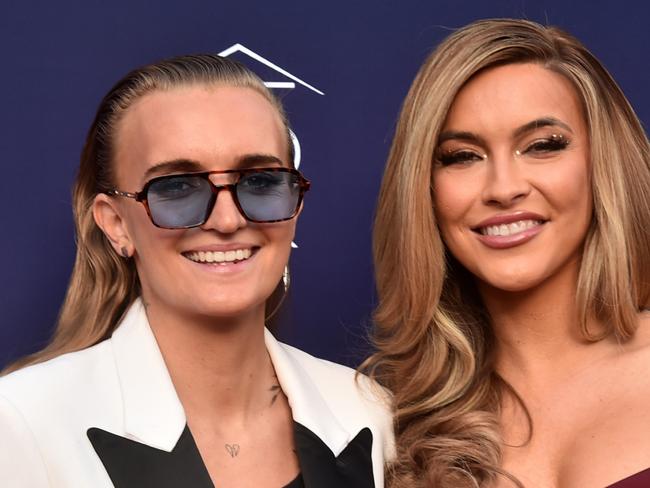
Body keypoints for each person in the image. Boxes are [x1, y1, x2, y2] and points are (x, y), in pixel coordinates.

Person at [0, 54, 393, 487]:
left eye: (260, 181)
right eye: (177, 187)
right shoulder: (21, 421)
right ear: (115, 224)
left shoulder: (369, 413)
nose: (227, 221)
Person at [364, 18, 650, 488]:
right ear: (425, 190)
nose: (503, 188)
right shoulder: (379, 426)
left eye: (542, 146)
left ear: (603, 164)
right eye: (462, 156)